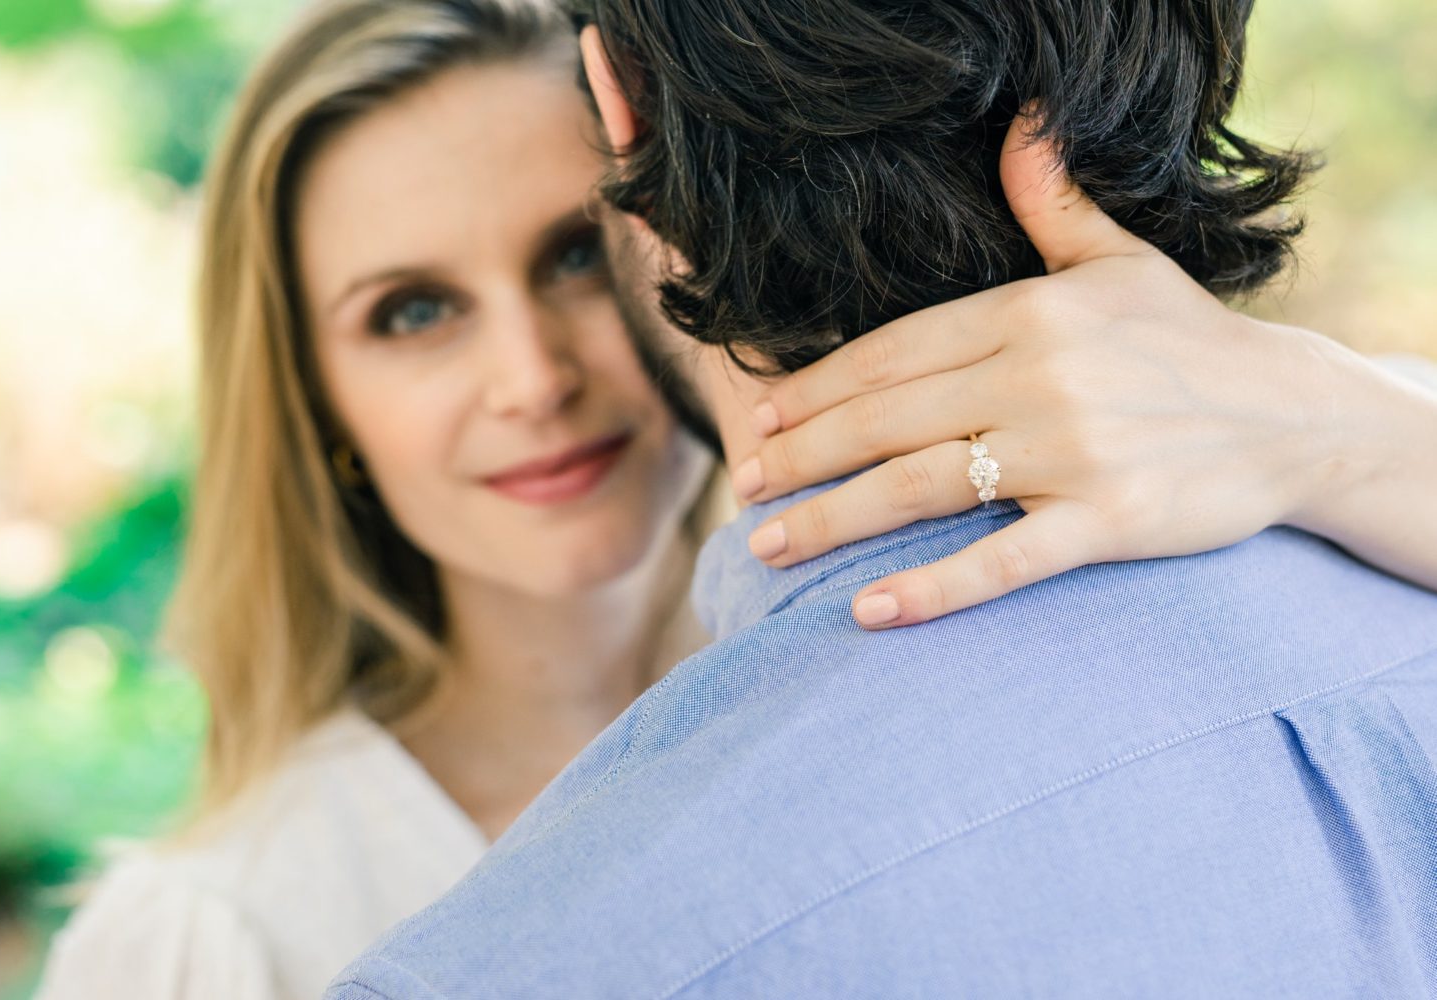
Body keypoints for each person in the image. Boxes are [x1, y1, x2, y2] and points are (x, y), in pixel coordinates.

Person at [327, 1, 1437, 997]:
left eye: (567, 256)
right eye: (415, 312)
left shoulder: (501, 966)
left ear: (620, 111)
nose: (532, 383)